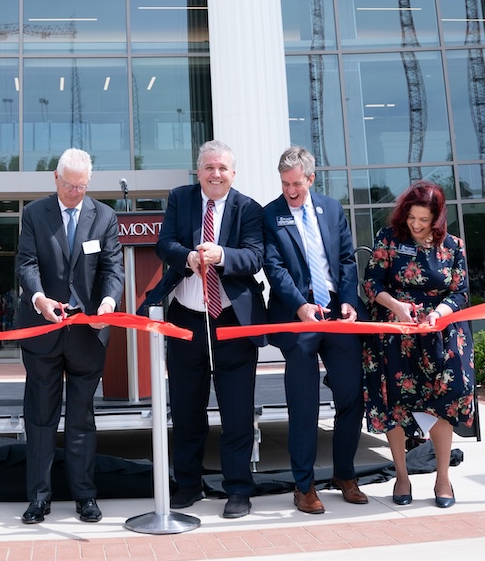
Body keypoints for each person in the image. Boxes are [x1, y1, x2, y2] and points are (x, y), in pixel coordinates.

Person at [141, 140, 266, 519]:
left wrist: (222, 255)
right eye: (209, 167)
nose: (215, 174)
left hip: (231, 321)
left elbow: (255, 256)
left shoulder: (249, 208)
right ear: (198, 172)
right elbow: (165, 244)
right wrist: (190, 256)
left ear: (233, 173)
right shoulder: (180, 199)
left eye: (222, 168)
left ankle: (239, 490)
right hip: (186, 319)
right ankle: (189, 484)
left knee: (237, 411)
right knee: (186, 408)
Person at [15, 148, 124, 524]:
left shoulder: (105, 216)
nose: (76, 192)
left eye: (82, 186)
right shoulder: (34, 214)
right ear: (55, 179)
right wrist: (39, 298)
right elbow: (26, 263)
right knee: (41, 418)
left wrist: (108, 302)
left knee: (81, 418)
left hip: (87, 334)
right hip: (43, 329)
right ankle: (38, 498)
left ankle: (85, 496)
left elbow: (113, 268)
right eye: (69, 185)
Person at [263, 146, 367, 514]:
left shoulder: (331, 208)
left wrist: (349, 300)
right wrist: (300, 305)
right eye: (285, 184)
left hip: (337, 313)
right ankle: (304, 485)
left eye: (296, 183)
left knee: (352, 395)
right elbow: (274, 269)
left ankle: (345, 474)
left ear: (311, 178)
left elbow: (345, 259)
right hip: (299, 315)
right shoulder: (270, 215)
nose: (290, 191)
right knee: (304, 405)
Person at [362, 180, 475, 508]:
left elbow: (460, 292)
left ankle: (443, 478)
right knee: (394, 403)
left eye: (424, 219)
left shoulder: (453, 246)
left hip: (440, 334)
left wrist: (438, 312)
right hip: (395, 334)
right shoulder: (388, 239)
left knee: (445, 399)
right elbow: (371, 282)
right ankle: (402, 475)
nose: (416, 224)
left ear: (437, 218)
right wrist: (395, 305)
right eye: (412, 217)